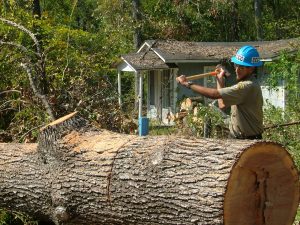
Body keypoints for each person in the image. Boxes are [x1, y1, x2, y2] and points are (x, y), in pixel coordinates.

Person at [176, 45, 264, 139]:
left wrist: (187, 84)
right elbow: (222, 104)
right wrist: (220, 81)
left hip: (249, 140)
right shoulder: (245, 84)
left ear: (251, 68)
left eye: (241, 67)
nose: (237, 70)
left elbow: (214, 94)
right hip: (237, 137)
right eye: (236, 65)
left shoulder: (247, 86)